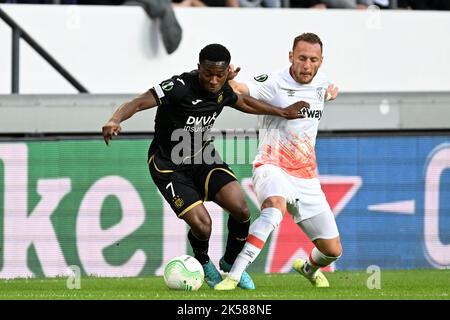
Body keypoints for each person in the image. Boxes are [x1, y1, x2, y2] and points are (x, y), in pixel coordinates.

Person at [102, 43, 308, 290]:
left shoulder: (222, 89)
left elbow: (245, 103)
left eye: (220, 75)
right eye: (208, 74)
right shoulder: (179, 87)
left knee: (242, 210)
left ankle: (231, 263)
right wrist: (115, 119)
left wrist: (283, 112)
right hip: (169, 165)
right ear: (198, 68)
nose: (213, 80)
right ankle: (202, 261)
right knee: (203, 224)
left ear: (226, 72)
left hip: (203, 157)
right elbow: (138, 102)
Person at [214, 33, 340, 290]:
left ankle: (308, 268)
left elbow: (322, 93)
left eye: (313, 60)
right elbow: (240, 90)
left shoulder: (321, 82)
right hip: (272, 166)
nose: (307, 65)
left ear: (321, 61)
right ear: (291, 56)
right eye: (302, 58)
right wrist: (231, 80)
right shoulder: (273, 82)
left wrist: (329, 94)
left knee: (332, 250)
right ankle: (234, 275)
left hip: (305, 177)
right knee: (273, 209)